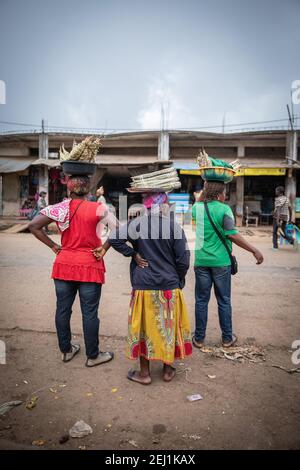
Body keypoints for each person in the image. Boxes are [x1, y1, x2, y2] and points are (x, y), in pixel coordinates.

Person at [94, 192, 192, 385]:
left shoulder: (137, 224)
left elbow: (114, 239)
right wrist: (178, 278)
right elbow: (184, 260)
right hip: (169, 287)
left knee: (144, 329)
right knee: (168, 327)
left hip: (143, 285)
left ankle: (145, 373)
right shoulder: (174, 226)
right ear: (165, 207)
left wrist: (133, 254)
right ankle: (167, 369)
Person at [28, 175, 114, 367]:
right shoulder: (98, 208)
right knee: (90, 313)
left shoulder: (60, 208)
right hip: (90, 265)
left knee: (62, 309)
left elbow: (33, 225)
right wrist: (104, 248)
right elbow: (119, 229)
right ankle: (93, 355)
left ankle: (66, 350)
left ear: (69, 190)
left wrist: (53, 245)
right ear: (89, 190)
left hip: (64, 264)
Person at [192, 181, 264, 349]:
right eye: (224, 193)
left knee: (201, 301)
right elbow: (232, 235)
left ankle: (199, 339)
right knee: (224, 300)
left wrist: (206, 185)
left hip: (201, 261)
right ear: (219, 195)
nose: (225, 197)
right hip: (221, 263)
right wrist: (254, 250)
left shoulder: (197, 208)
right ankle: (226, 338)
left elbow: (199, 201)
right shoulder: (224, 210)